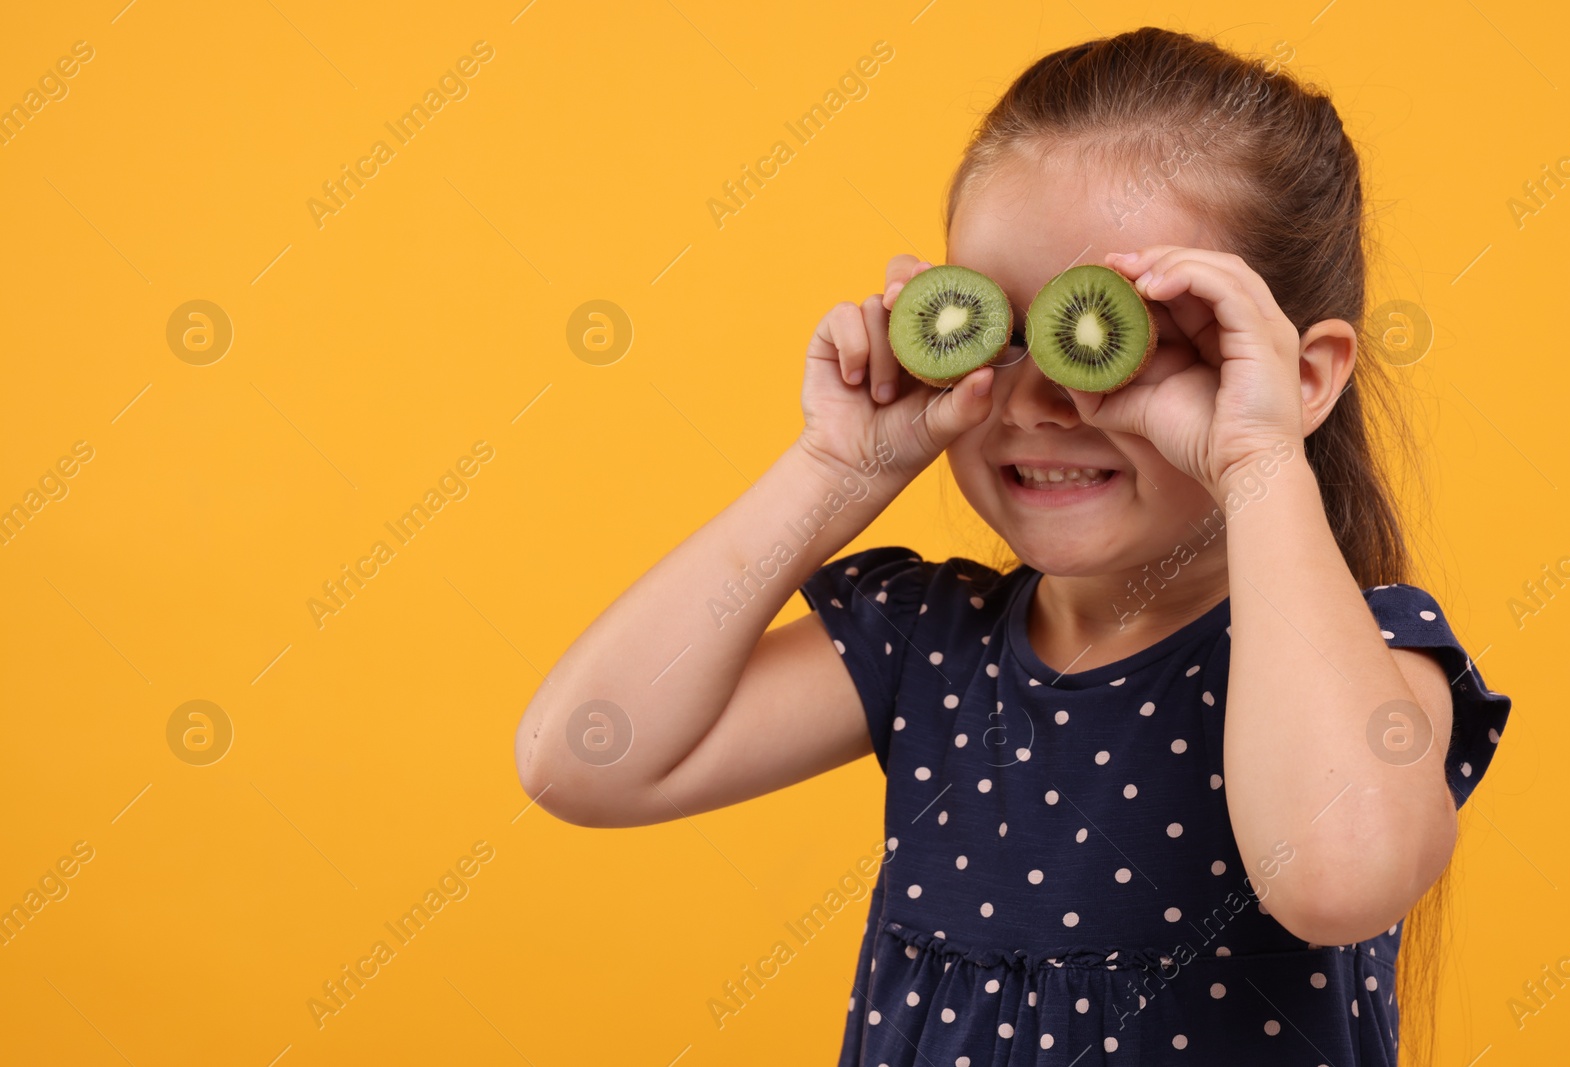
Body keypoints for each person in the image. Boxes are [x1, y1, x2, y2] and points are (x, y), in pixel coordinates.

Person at [514, 25, 1512, 1066]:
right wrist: (832, 469)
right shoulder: (930, 642)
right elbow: (585, 757)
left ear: (1296, 376)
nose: (1039, 399)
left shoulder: (1364, 658)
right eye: (990, 325)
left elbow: (1338, 879)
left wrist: (1256, 455)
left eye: (1119, 332)